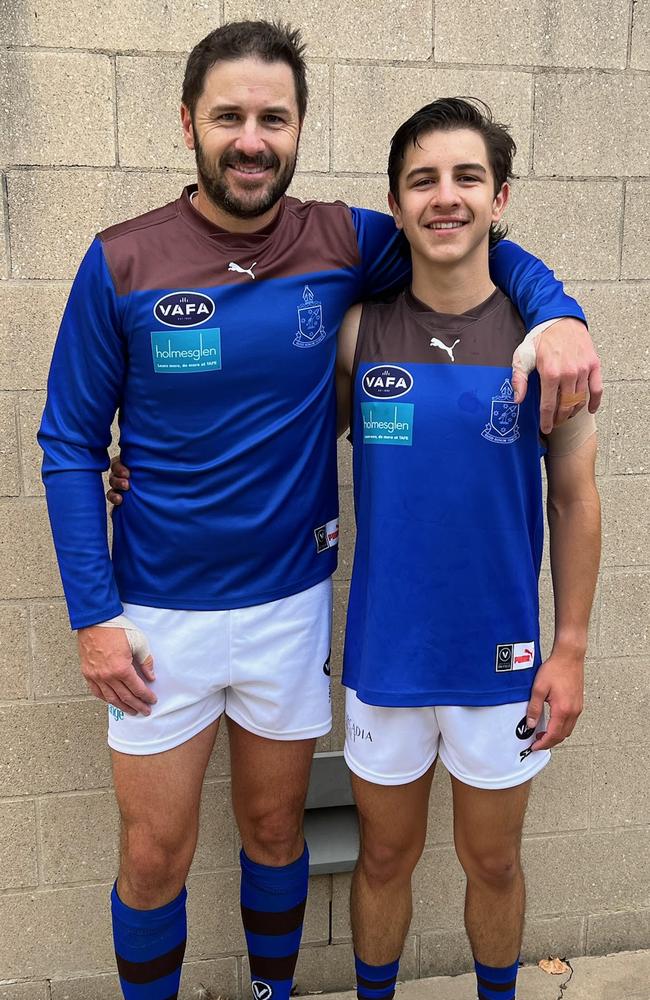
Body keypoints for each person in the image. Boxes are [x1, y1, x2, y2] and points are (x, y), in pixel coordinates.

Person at [39, 20, 601, 1000]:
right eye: (228, 116)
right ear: (187, 124)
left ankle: (271, 991)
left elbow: (475, 242)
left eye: (273, 116)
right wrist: (93, 615)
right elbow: (68, 446)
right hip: (155, 614)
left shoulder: (343, 239)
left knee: (271, 831)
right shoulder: (119, 261)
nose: (250, 137)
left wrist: (556, 314)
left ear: (297, 129)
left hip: (291, 606)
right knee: (154, 851)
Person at [335, 98, 601, 1000]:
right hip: (388, 655)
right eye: (422, 180)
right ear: (397, 202)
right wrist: (144, 467)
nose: (444, 197)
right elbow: (272, 439)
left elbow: (574, 499)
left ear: (500, 198)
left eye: (465, 178)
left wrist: (568, 650)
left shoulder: (548, 351)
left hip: (501, 661)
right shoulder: (358, 333)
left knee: (491, 864)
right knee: (383, 860)